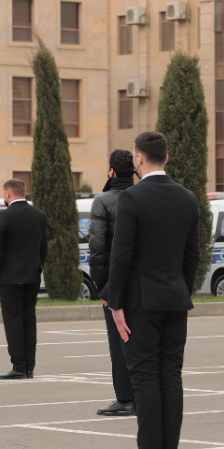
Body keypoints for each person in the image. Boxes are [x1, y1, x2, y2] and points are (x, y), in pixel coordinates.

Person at [102, 131, 202, 449]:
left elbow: (122, 255)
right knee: (170, 377)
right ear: (167, 159)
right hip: (175, 298)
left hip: (140, 303)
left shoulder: (132, 198)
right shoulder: (187, 198)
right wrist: (180, 289)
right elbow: (193, 255)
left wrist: (115, 303)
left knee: (144, 377)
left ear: (139, 159)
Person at [89, 149, 137, 416]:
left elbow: (97, 248)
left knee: (119, 343)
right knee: (141, 342)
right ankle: (143, 395)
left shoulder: (103, 201)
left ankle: (126, 398)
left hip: (115, 284)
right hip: (144, 283)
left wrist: (102, 287)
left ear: (111, 171)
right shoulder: (143, 197)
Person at [0, 179, 49, 380]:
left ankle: (18, 366)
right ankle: (29, 366)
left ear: (8, 195)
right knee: (29, 321)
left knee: (13, 321)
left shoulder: (4, 217)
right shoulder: (39, 216)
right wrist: (37, 268)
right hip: (32, 276)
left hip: (9, 278)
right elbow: (43, 248)